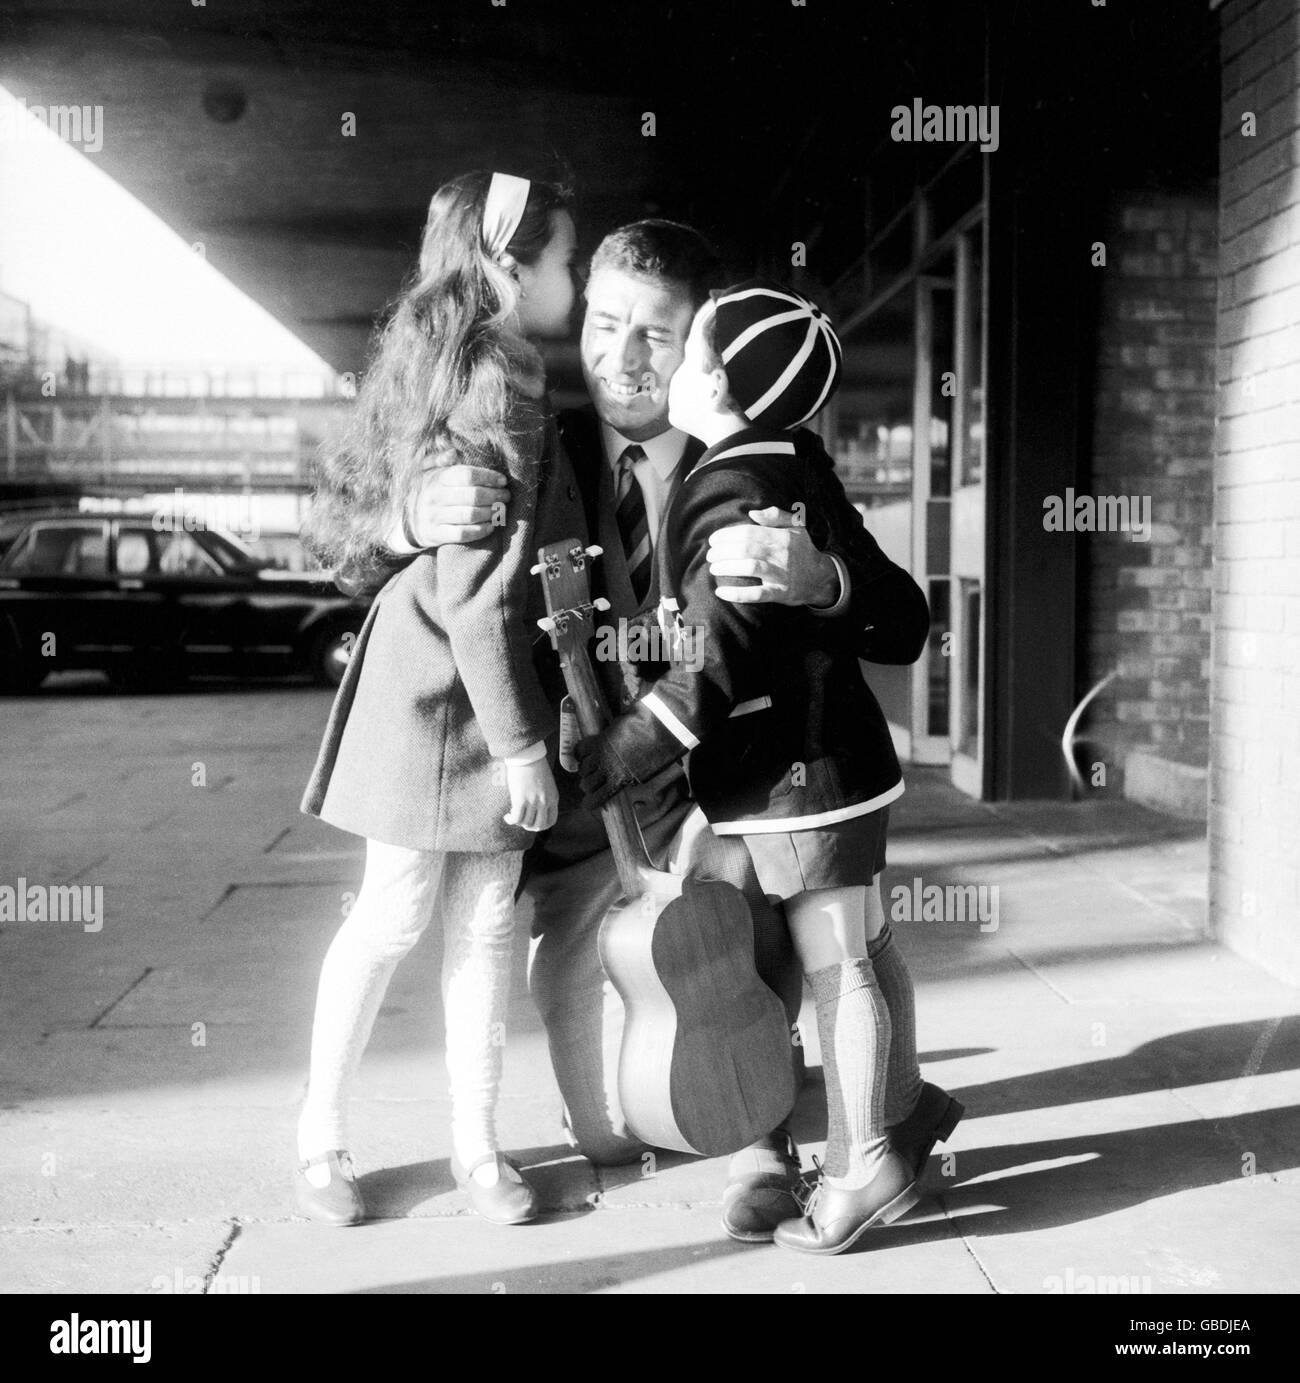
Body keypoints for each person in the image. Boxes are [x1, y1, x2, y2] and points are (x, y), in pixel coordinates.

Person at [381, 221, 938, 1243]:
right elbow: (385, 542)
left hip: (737, 764)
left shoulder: (768, 459)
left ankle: (795, 1140)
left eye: (656, 335)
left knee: (782, 935)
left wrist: (824, 581)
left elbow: (900, 617)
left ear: (699, 351)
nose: (623, 359)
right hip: (580, 782)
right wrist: (409, 518)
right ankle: (787, 1133)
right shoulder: (526, 432)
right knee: (653, 1002)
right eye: (602, 325)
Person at [575, 281, 964, 1254]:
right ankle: (892, 1119)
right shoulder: (791, 459)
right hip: (814, 772)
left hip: (791, 776)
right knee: (858, 947)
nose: (665, 360)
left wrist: (617, 751)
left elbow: (719, 661)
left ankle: (864, 1159)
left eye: (690, 345)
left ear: (714, 378)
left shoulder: (730, 483)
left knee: (836, 961)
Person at [294, 170, 584, 1228]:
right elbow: (474, 596)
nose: (575, 275)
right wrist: (521, 749)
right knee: (423, 919)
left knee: (444, 921)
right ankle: (355, 1145)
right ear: (509, 265)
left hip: (454, 683)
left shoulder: (474, 359)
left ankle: (452, 1149)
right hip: (442, 698)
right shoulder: (495, 379)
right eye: (563, 256)